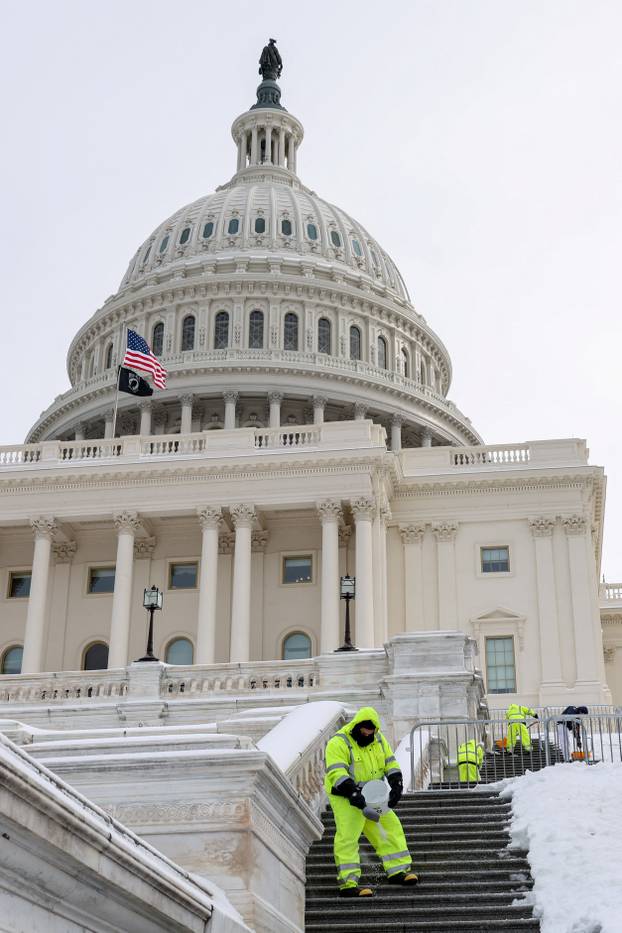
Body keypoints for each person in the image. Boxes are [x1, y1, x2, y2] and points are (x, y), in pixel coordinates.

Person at [324, 706, 418, 898]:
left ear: (375, 729)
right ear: (357, 726)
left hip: (373, 794)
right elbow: (336, 772)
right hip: (344, 795)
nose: (367, 734)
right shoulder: (339, 742)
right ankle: (348, 883)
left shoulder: (379, 740)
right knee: (348, 835)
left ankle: (397, 871)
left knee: (390, 826)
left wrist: (397, 784)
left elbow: (390, 762)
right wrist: (353, 795)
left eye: (370, 731)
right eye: (363, 731)